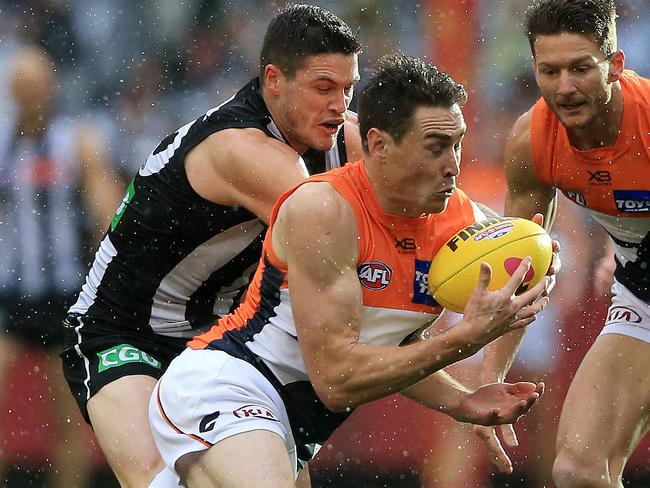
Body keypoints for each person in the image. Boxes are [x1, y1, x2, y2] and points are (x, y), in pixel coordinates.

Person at [149, 53, 553, 488]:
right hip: (229, 383)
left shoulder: (461, 221)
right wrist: (464, 340)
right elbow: (337, 378)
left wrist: (464, 400)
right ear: (378, 144)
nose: (453, 165)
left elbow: (390, 345)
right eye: (436, 148)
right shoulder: (323, 209)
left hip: (292, 423)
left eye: (457, 143)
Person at [60, 5, 363, 487]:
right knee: (165, 481)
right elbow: (353, 252)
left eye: (348, 89)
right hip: (122, 330)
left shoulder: (341, 135)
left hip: (215, 338)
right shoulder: (245, 150)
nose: (338, 105)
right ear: (273, 80)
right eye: (323, 88)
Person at [475, 1, 650, 486]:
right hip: (642, 295)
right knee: (578, 471)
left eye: (580, 68)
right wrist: (492, 373)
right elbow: (518, 269)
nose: (565, 88)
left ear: (615, 65)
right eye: (549, 71)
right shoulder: (531, 143)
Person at [0, 45, 122, 487]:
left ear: (50, 87)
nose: (30, 93)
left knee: (68, 419)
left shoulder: (76, 140)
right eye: (22, 85)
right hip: (13, 291)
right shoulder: (4, 143)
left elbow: (105, 206)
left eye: (36, 84)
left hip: (63, 293)